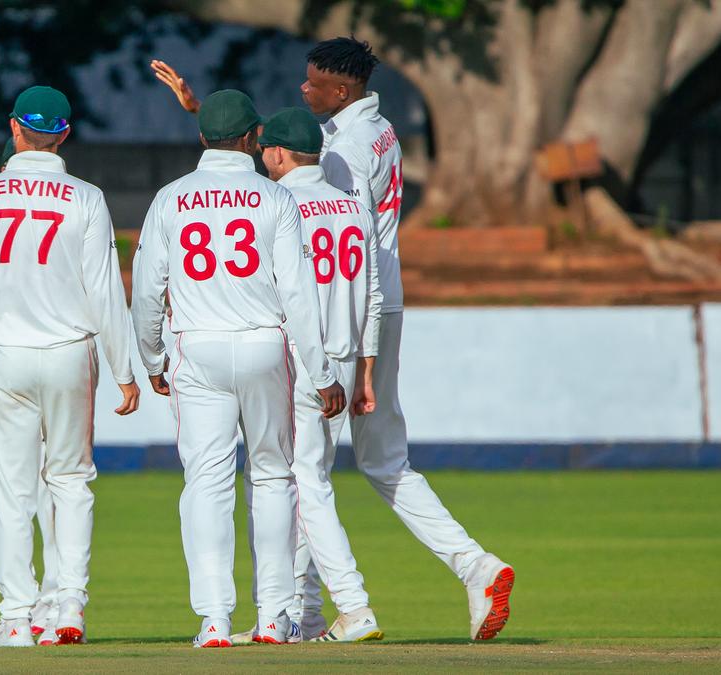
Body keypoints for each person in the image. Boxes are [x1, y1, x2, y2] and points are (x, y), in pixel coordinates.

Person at [151, 37, 515, 641]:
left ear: (341, 92)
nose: (304, 88)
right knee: (379, 461)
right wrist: (210, 118)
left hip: (328, 321)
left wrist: (219, 131)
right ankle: (470, 565)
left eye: (314, 83)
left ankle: (332, 607)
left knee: (302, 476)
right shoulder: (383, 131)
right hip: (375, 309)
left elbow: (295, 180)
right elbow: (292, 149)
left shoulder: (340, 152)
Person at [0, 84, 140, 647]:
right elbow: (106, 291)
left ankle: (17, 616)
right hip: (71, 353)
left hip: (7, 354)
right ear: (64, 134)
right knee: (71, 482)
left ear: (15, 129)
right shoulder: (86, 198)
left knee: (12, 489)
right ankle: (69, 607)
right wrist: (125, 369)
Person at [131, 89, 345, 647]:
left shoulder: (171, 198)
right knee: (273, 476)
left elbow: (148, 291)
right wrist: (322, 374)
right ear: (252, 139)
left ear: (203, 137)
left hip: (196, 346)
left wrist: (151, 357)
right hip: (263, 345)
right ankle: (274, 616)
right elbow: (298, 295)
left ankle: (214, 620)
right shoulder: (273, 200)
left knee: (206, 481)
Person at [237, 108, 384, 644]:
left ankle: (354, 604)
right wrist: (366, 371)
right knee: (306, 483)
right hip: (344, 361)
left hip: (299, 361)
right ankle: (302, 614)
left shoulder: (277, 204)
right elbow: (371, 295)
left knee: (301, 485)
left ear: (276, 153)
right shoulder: (352, 207)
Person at [0, 138, 64, 646]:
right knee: (18, 495)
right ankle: (40, 605)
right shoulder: (65, 205)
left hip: (18, 373)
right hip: (43, 374)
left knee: (25, 495)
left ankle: (38, 609)